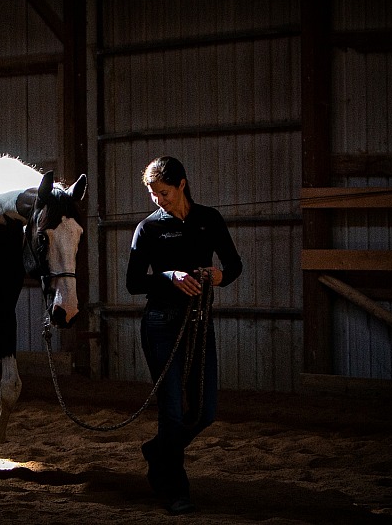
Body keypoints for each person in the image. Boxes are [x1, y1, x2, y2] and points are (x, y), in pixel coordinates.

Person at [126, 156, 243, 515]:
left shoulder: (209, 220)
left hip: (198, 324)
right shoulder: (149, 229)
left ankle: (158, 450)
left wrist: (220, 276)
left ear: (182, 184)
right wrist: (169, 276)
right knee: (173, 411)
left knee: (204, 412)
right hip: (161, 323)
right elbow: (132, 283)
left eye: (163, 193)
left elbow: (234, 265)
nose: (158, 200)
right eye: (152, 194)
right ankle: (176, 490)